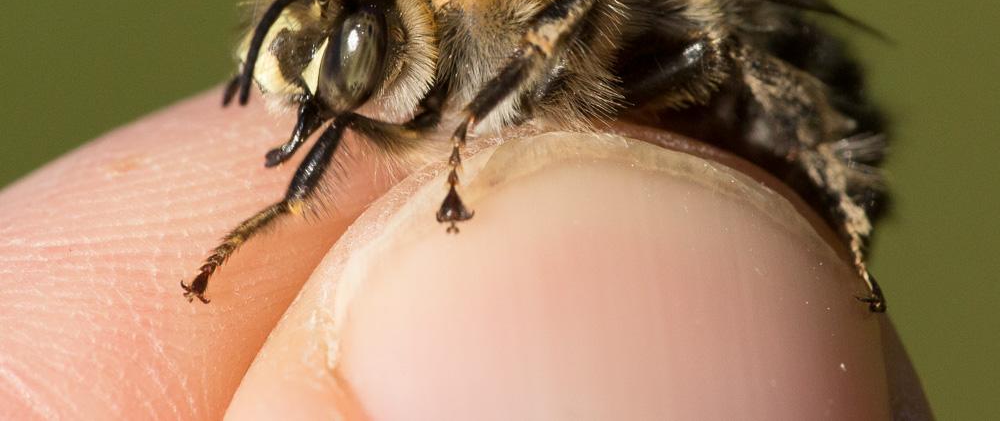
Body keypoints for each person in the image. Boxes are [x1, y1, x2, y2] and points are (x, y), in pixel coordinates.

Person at [0, 90, 931, 419]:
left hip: (740, 92)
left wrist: (457, 162)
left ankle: (838, 196)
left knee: (715, 44)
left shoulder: (489, 3)